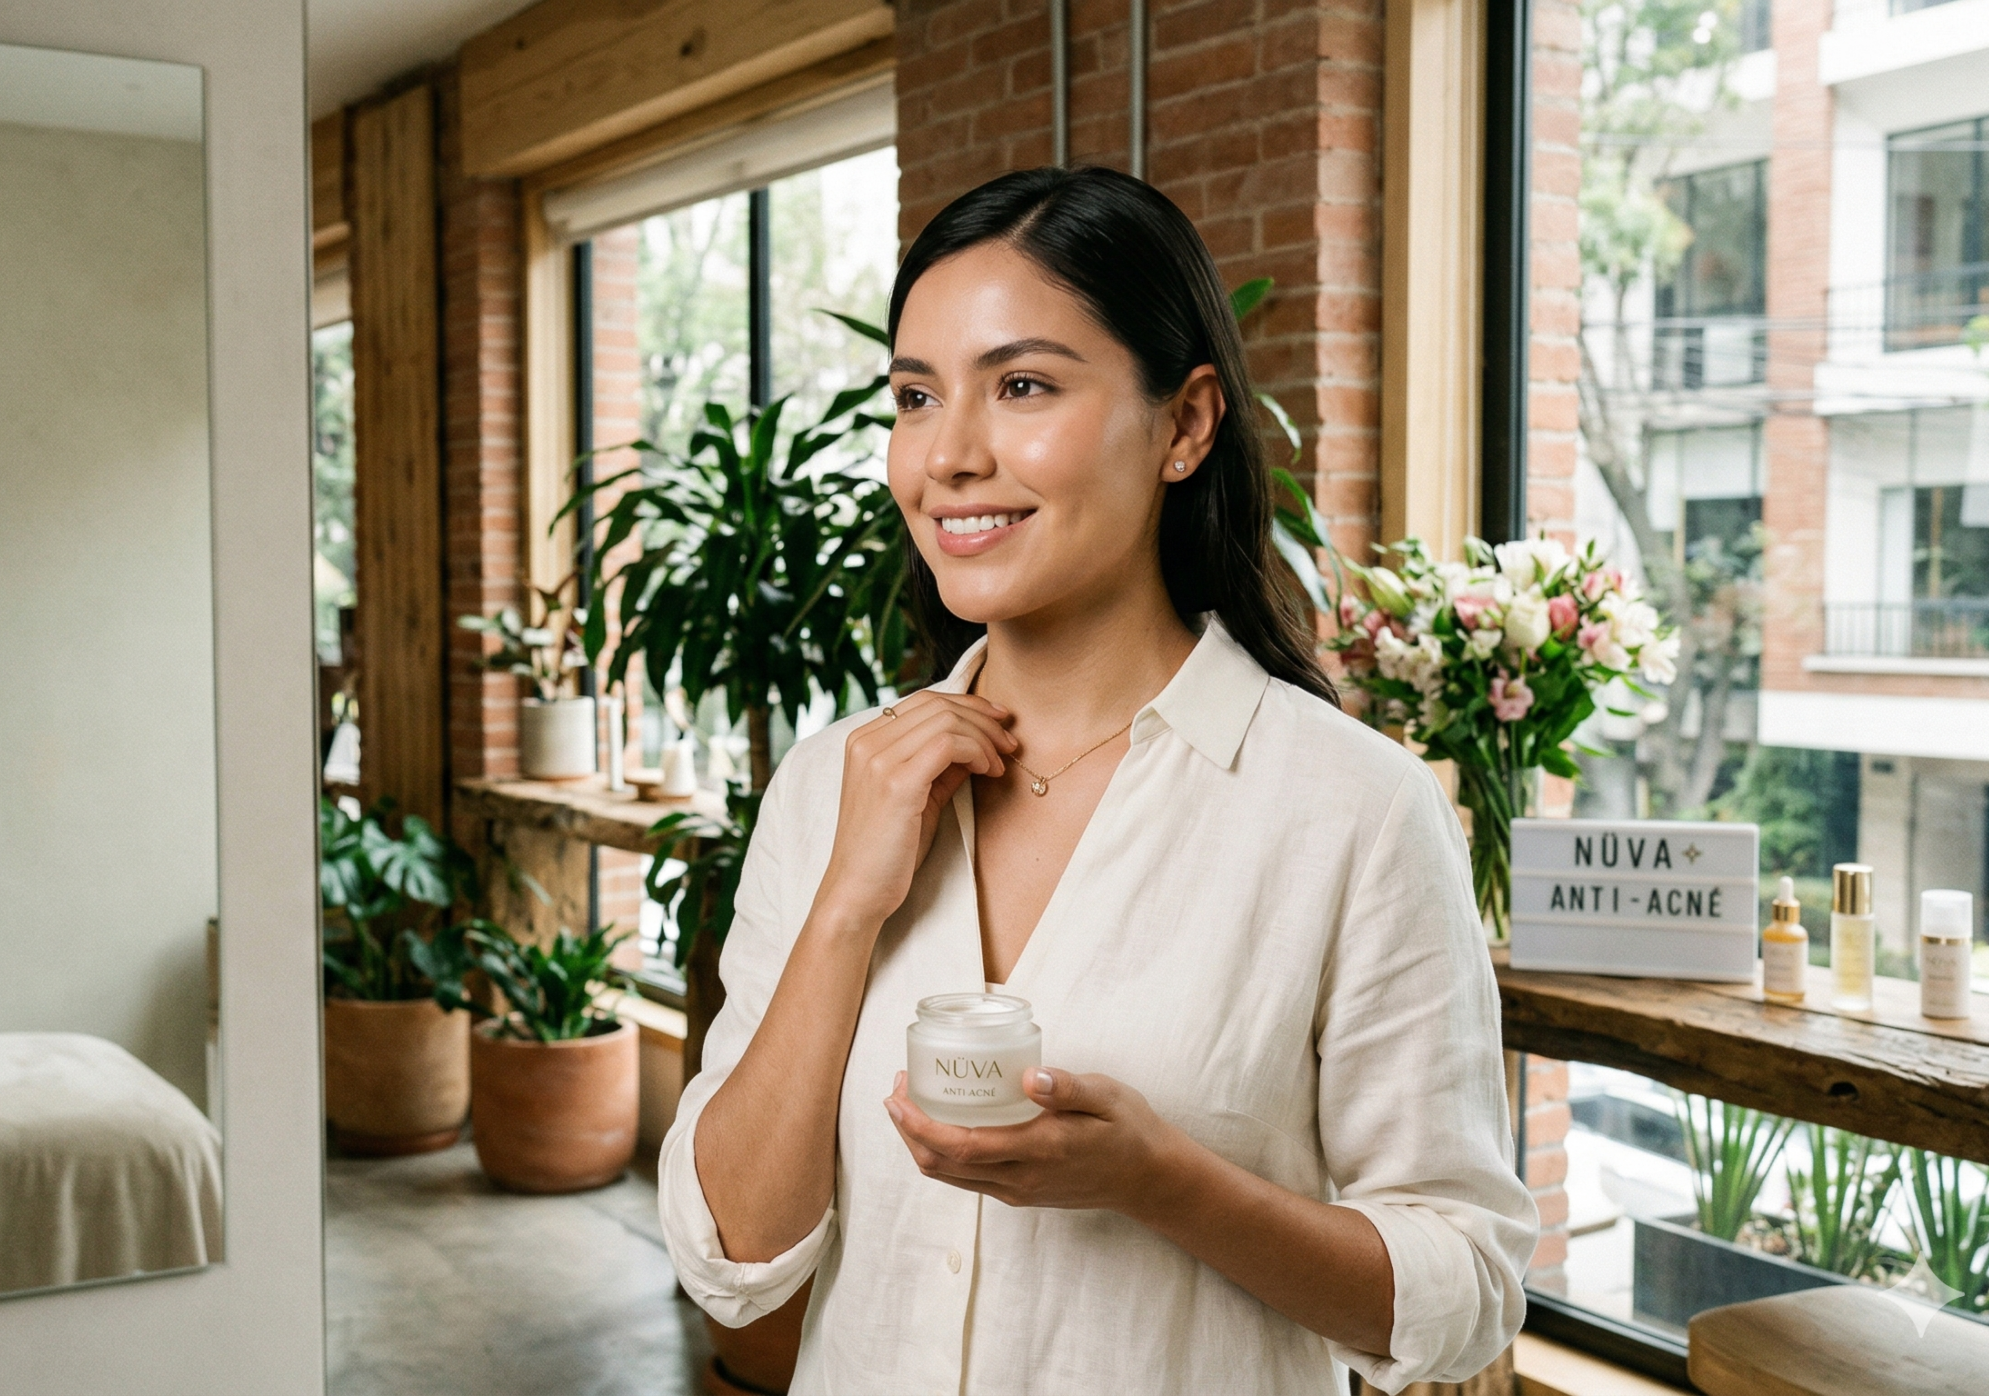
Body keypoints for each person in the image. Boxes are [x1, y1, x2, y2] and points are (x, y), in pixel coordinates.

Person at [658, 168, 1536, 1394]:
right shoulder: (829, 786)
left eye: (1021, 386)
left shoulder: (1354, 811)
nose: (950, 456)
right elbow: (733, 1258)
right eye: (915, 397)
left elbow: (1468, 1289)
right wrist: (847, 906)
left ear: (1183, 424)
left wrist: (1161, 1182)